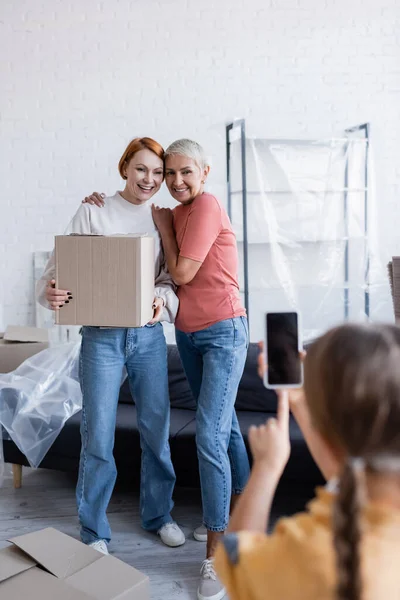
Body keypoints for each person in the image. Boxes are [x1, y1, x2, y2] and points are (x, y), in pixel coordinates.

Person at [84, 138, 251, 600]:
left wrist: (161, 231)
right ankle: (241, 515)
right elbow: (78, 269)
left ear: (204, 172)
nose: (169, 181)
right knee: (226, 427)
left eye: (180, 173)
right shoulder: (161, 213)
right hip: (183, 336)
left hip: (213, 331)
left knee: (207, 434)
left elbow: (177, 276)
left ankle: (214, 551)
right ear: (127, 170)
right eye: (162, 173)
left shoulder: (200, 208)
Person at [37, 137, 185, 554]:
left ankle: (159, 515)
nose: (150, 180)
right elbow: (56, 272)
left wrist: (163, 302)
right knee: (97, 434)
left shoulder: (163, 219)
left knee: (156, 431)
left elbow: (170, 280)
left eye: (158, 174)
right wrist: (49, 293)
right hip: (101, 337)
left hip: (148, 337)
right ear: (125, 168)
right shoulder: (93, 209)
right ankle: (94, 530)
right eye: (142, 170)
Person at [214, 323, 400, 600]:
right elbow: (348, 468)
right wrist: (300, 400)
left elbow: (233, 560)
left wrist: (266, 467)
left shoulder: (303, 552)